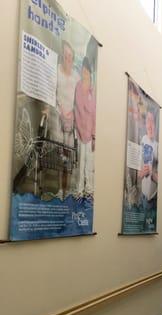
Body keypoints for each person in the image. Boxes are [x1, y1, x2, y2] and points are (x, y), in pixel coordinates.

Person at [56, 40, 80, 199]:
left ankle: (68, 190)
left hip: (72, 123)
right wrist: (60, 111)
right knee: (60, 159)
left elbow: (79, 101)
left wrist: (72, 113)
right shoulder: (56, 71)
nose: (68, 59)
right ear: (62, 56)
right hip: (58, 119)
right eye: (65, 56)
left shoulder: (77, 77)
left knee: (69, 159)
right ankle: (60, 189)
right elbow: (53, 93)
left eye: (70, 56)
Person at [74, 56, 96, 197]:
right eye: (83, 70)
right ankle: (79, 189)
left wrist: (94, 135)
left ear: (90, 72)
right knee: (80, 162)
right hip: (80, 130)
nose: (85, 73)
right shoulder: (78, 86)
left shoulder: (92, 90)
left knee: (89, 163)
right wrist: (80, 130)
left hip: (91, 132)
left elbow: (94, 113)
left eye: (87, 71)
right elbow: (79, 108)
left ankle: (89, 190)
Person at [138, 110, 158, 230]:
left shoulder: (158, 146)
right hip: (143, 198)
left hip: (153, 200)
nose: (150, 125)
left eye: (152, 121)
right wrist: (142, 173)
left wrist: (152, 172)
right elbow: (137, 175)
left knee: (149, 229)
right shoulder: (142, 140)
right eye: (148, 121)